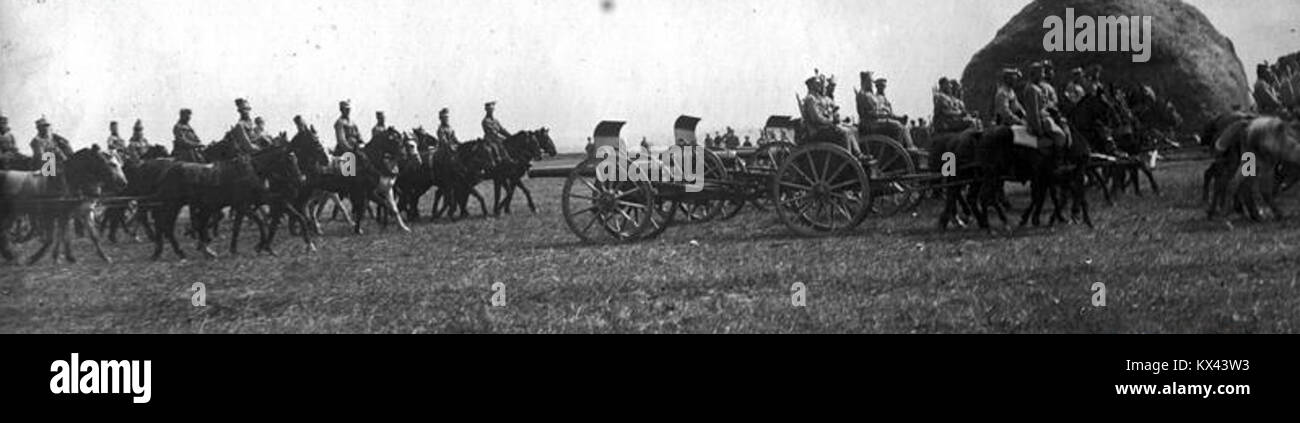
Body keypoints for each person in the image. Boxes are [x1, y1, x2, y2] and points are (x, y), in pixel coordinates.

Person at [859, 77, 921, 154]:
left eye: (884, 86)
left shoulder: (881, 97)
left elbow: (888, 112)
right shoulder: (876, 97)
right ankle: (897, 150)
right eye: (881, 86)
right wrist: (891, 116)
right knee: (898, 126)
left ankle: (908, 146)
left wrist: (898, 117)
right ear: (877, 87)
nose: (883, 88)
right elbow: (877, 112)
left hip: (879, 119)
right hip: (874, 123)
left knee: (904, 126)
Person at [805, 74, 860, 156]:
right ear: (812, 86)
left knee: (851, 130)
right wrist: (831, 121)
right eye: (817, 83)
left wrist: (836, 119)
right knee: (844, 133)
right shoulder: (810, 99)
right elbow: (816, 118)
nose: (820, 85)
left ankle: (857, 154)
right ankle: (848, 157)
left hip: (824, 127)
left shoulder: (817, 98)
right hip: (818, 131)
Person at [1022, 61, 1068, 149]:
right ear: (1034, 74)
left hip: (1046, 118)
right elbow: (1034, 112)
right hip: (1043, 121)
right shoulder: (1032, 89)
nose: (1043, 76)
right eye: (1041, 73)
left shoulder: (1037, 87)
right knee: (1060, 136)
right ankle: (1058, 160)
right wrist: (1039, 130)